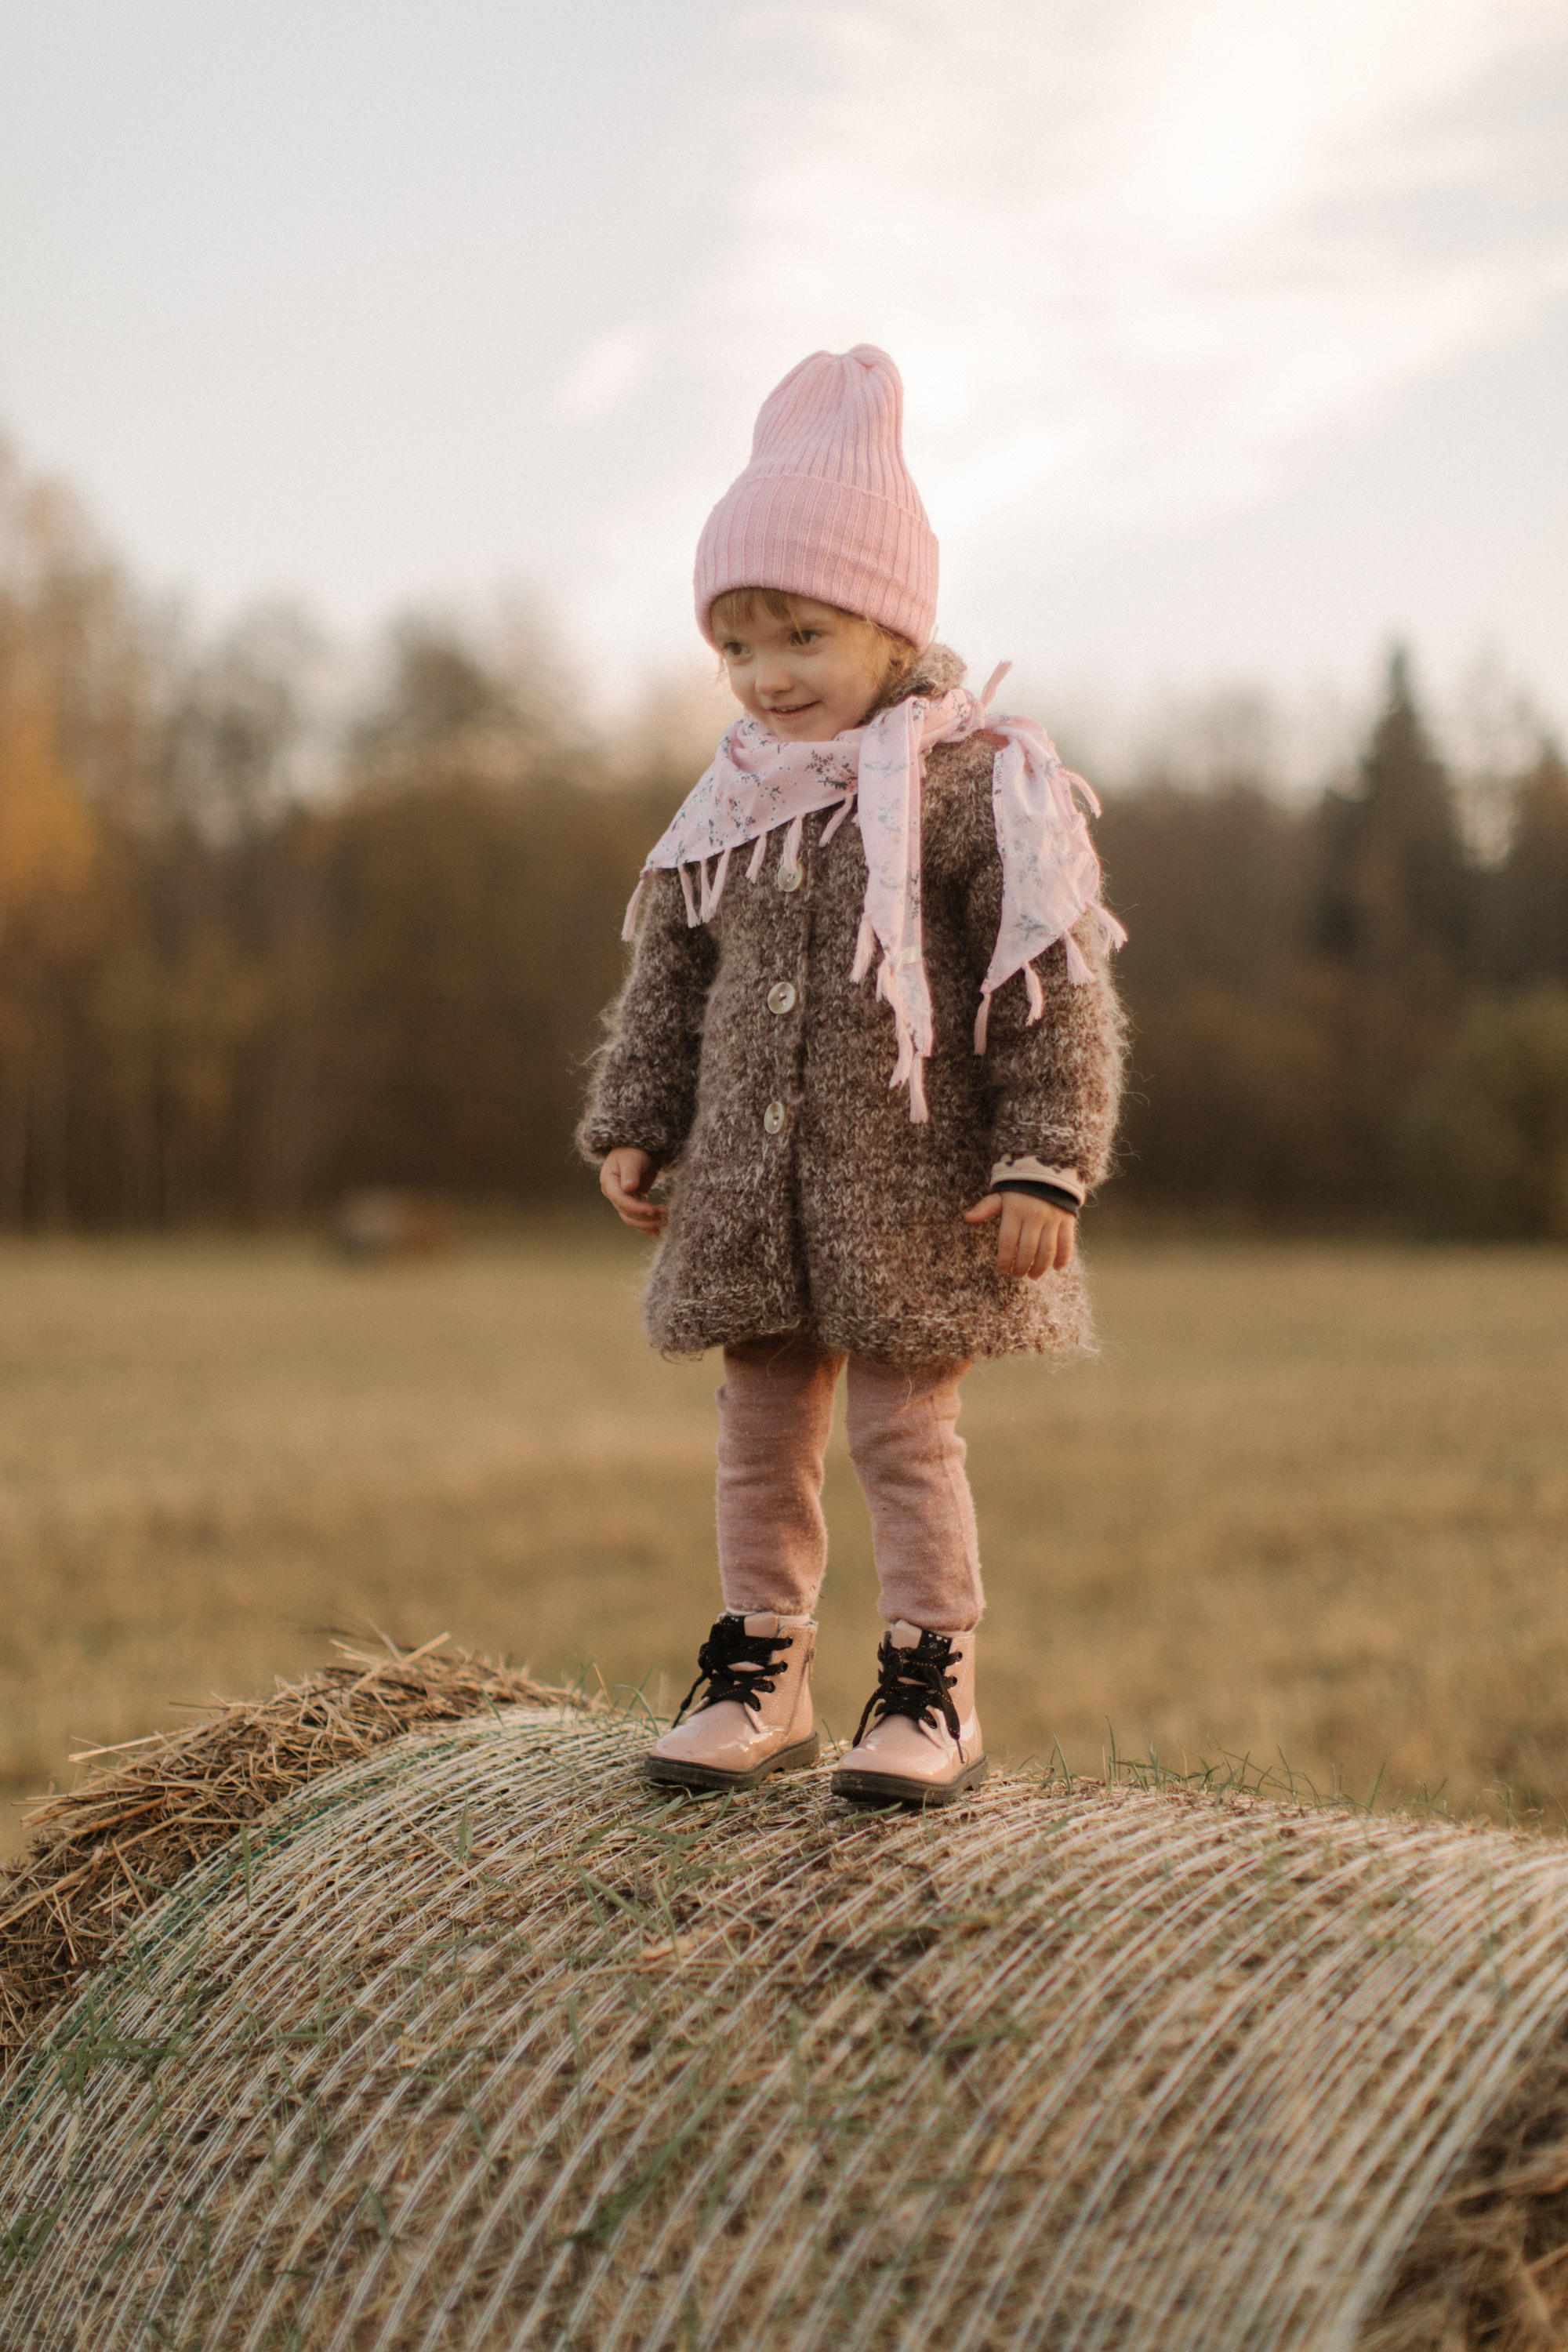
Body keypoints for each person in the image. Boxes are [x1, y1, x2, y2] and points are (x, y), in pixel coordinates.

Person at [579, 344, 1125, 1806]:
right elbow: (670, 977)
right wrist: (637, 1119)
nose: (766, 677)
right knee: (760, 1436)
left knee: (901, 1433)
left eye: (800, 637)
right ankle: (760, 1669)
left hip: (914, 1202)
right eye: (738, 646)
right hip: (757, 1203)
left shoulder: (971, 787)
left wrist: (1043, 1158)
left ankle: (930, 1682)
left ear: (890, 626)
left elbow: (1051, 995)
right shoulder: (731, 806)